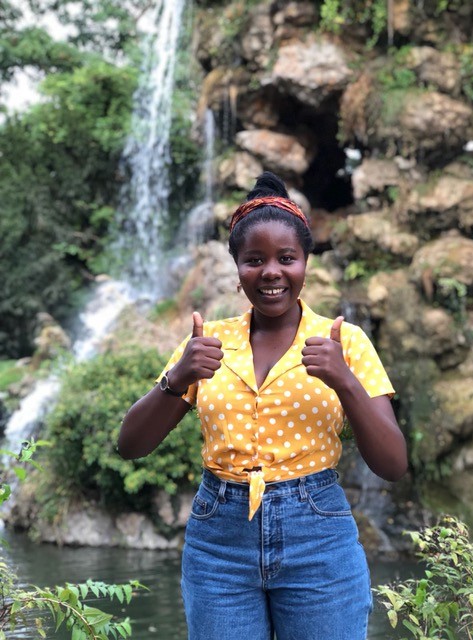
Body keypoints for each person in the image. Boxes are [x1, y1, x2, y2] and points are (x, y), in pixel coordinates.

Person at [118, 171, 408, 640]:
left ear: (305, 264)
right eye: (255, 260)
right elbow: (130, 445)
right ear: (237, 267)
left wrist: (344, 381)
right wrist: (178, 377)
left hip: (319, 540)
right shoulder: (205, 343)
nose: (271, 271)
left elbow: (393, 464)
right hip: (219, 545)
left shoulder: (344, 342)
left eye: (286, 258)